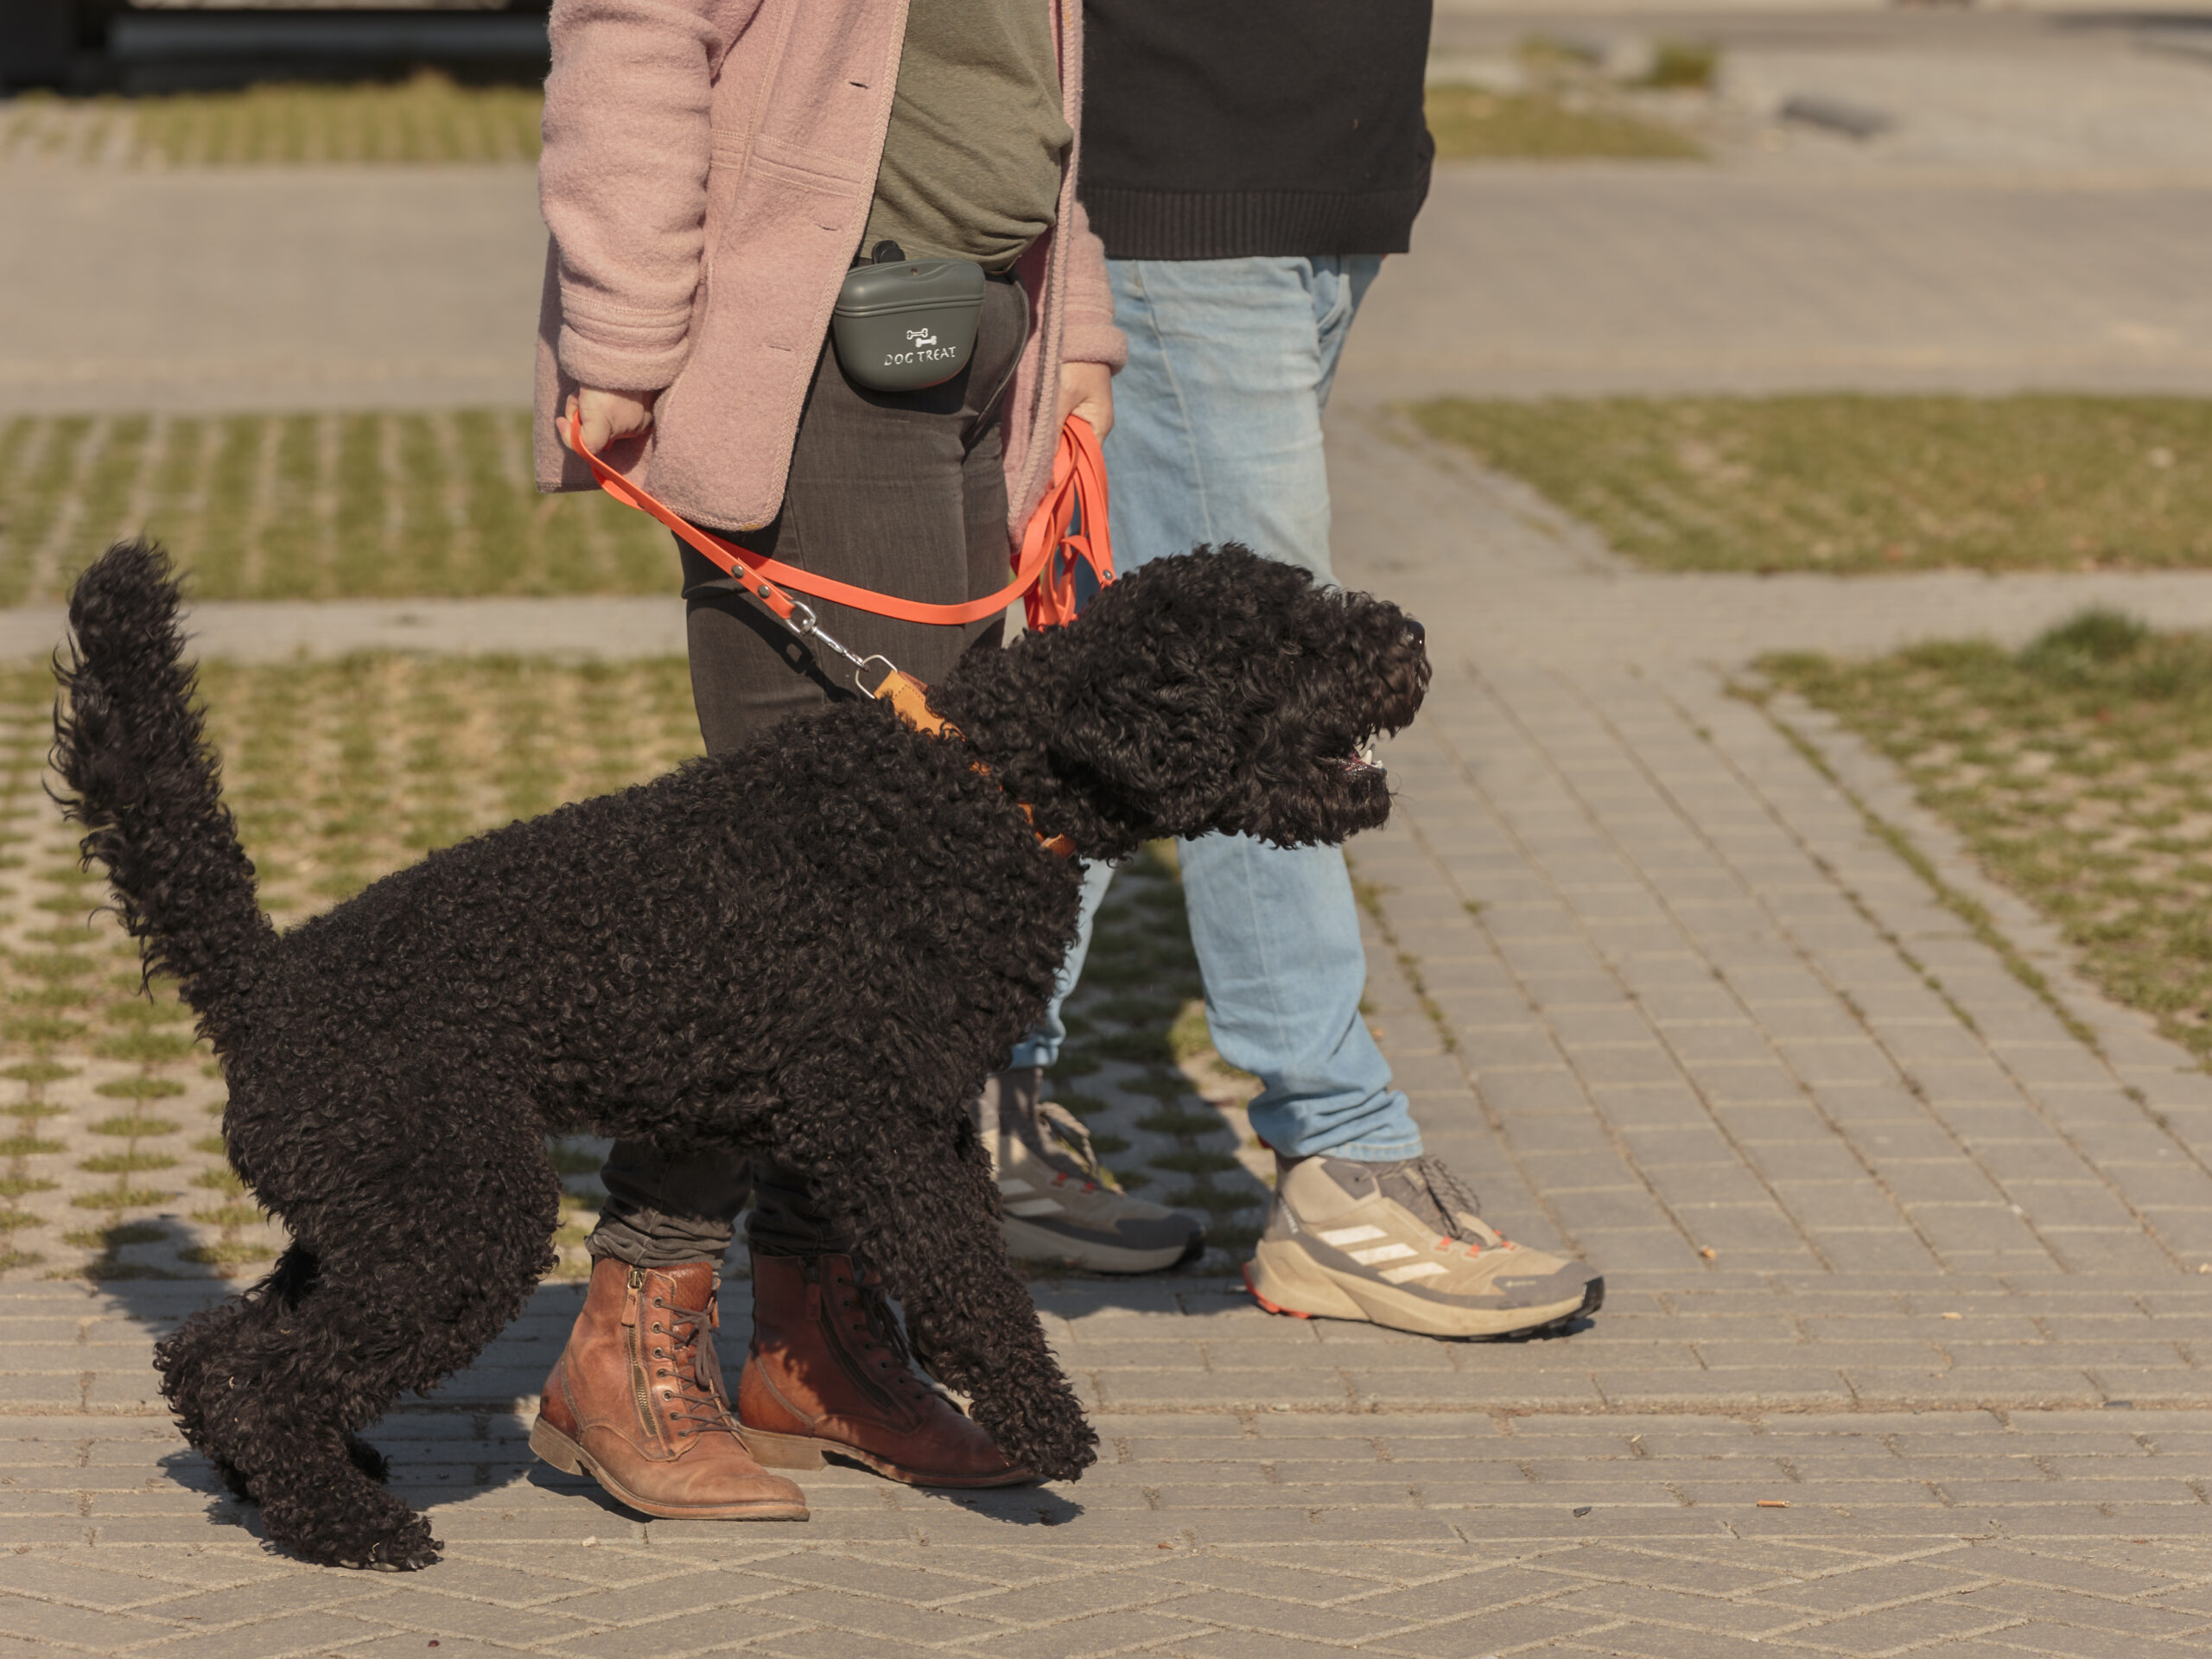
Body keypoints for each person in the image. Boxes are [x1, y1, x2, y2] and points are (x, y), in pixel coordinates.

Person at [528, 0, 1124, 1518]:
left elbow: (1041, 81)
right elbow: (635, 37)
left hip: (974, 351)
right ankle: (630, 1329)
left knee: (914, 927)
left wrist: (1080, 335)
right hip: (821, 370)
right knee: (804, 914)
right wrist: (617, 331)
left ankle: (813, 1338)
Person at [969, 0, 1605, 1340]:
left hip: (1315, 170)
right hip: (1182, 185)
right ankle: (1342, 1163)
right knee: (1267, 703)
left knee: (1098, 681)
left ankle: (972, 1120)